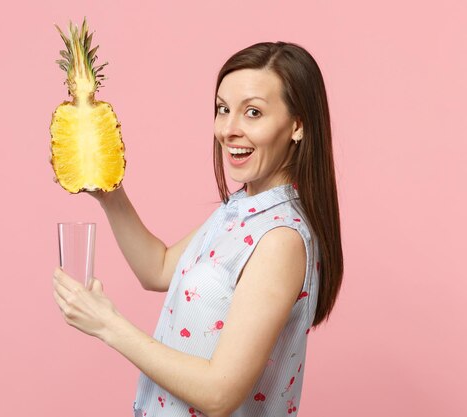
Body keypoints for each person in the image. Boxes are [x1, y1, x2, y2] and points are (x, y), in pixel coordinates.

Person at [52, 41, 343, 417]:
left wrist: (108, 324)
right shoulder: (240, 209)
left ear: (298, 125)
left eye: (253, 112)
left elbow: (219, 394)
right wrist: (110, 195)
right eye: (223, 110)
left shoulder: (280, 239)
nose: (229, 129)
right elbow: (157, 268)